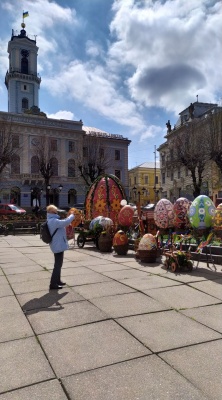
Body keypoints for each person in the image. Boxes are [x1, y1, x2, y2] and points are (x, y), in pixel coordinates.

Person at [47, 204, 75, 290]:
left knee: (59, 264)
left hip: (58, 244)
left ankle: (58, 280)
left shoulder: (52, 219)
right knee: (57, 265)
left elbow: (63, 223)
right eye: (56, 211)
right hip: (57, 245)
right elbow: (66, 222)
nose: (57, 212)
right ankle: (53, 284)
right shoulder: (53, 220)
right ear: (52, 212)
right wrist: (72, 215)